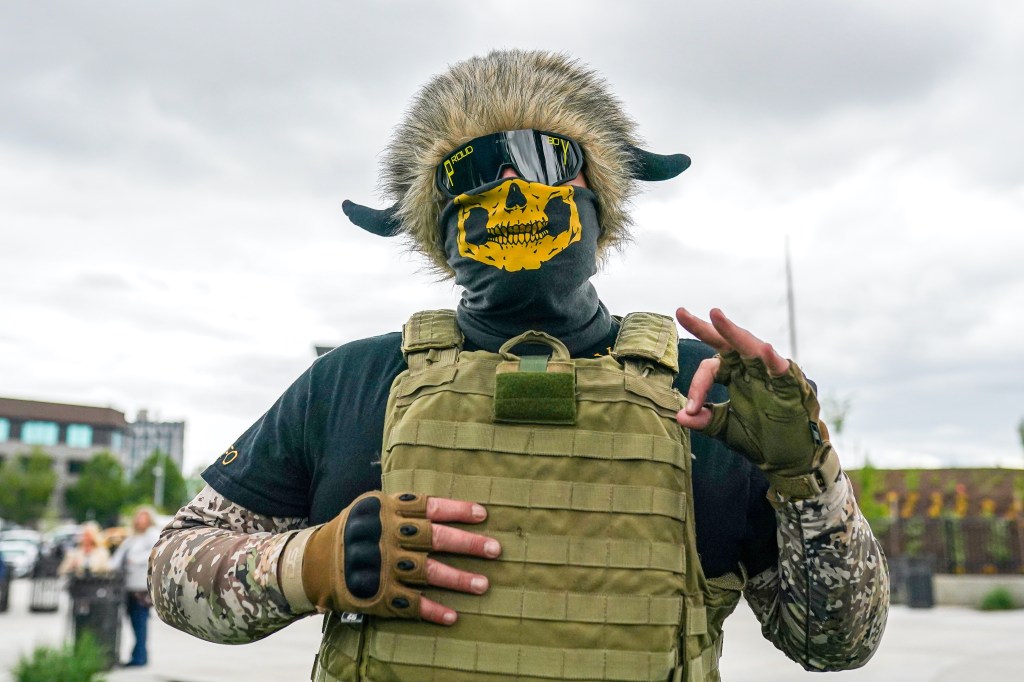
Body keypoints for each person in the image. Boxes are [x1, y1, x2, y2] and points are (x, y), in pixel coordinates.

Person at [151, 49, 889, 681]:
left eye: (545, 160)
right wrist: (311, 565)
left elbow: (836, 643)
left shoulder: (709, 394)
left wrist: (806, 476)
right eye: (469, 172)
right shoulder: (351, 383)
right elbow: (173, 570)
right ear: (434, 224)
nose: (510, 192)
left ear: (600, 197)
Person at [112, 506, 160, 667]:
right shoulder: (132, 537)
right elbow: (119, 557)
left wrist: (134, 559)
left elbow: (154, 552)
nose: (140, 520)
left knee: (140, 621)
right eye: (138, 517)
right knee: (133, 621)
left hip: (140, 587)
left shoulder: (152, 534)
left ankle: (139, 657)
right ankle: (138, 655)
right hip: (128, 585)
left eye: (143, 517)